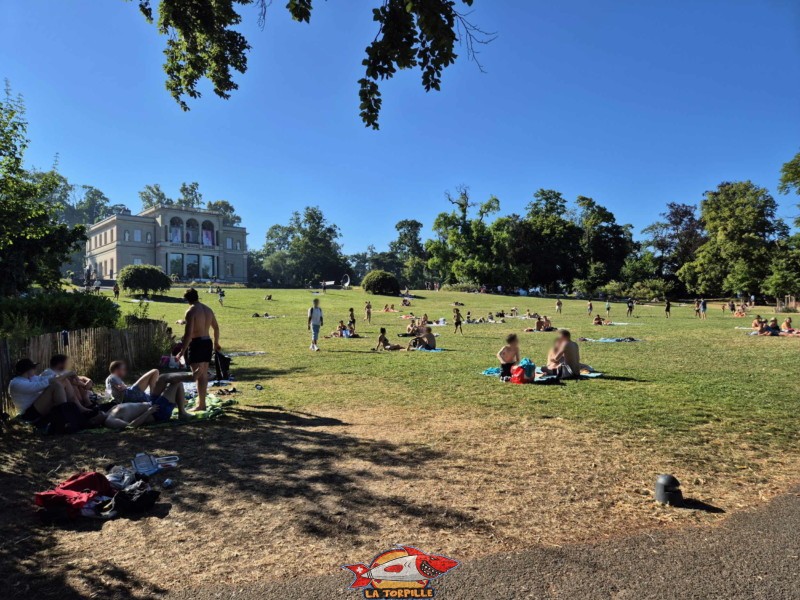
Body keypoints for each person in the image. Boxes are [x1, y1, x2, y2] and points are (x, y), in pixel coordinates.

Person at [175, 287, 221, 412]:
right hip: (207, 342)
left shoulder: (191, 311)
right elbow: (216, 328)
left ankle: (199, 404)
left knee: (196, 375)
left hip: (197, 344)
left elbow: (188, 334)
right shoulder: (208, 309)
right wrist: (216, 343)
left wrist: (181, 351)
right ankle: (202, 403)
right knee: (203, 374)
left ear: (186, 299)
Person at [9, 359, 70, 425]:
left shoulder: (30, 378)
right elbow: (39, 386)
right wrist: (63, 376)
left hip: (36, 407)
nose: (35, 370)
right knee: (56, 385)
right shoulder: (16, 383)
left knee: (64, 381)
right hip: (29, 413)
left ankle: (78, 409)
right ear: (28, 370)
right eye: (34, 368)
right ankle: (66, 417)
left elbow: (45, 378)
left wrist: (64, 375)